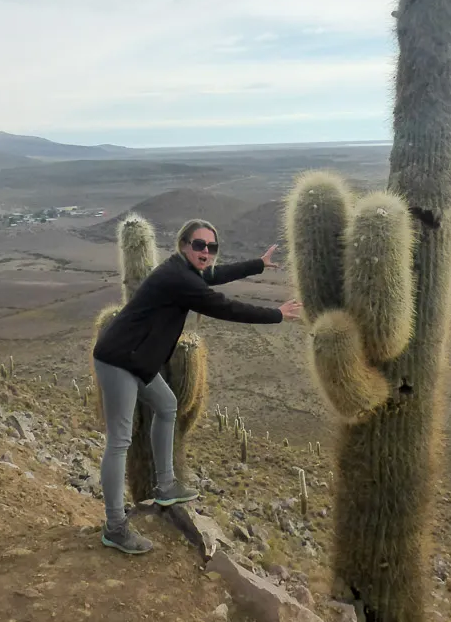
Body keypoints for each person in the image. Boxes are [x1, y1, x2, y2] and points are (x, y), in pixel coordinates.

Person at [92, 217, 302, 554]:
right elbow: (225, 307)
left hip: (138, 360)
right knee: (120, 441)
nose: (206, 252)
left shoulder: (184, 271)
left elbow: (214, 276)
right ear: (183, 245)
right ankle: (115, 527)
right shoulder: (179, 278)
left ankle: (165, 486)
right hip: (118, 359)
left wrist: (257, 265)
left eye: (211, 247)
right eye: (199, 245)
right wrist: (277, 314)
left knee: (167, 405)